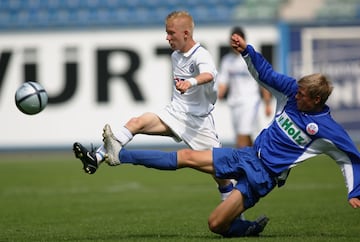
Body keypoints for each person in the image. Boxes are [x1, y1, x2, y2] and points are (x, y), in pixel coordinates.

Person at [99, 32, 360, 237]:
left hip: (262, 177)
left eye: (302, 94)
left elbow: (349, 159)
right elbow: (266, 75)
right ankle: (120, 155)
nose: (296, 94)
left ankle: (244, 229)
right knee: (187, 156)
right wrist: (247, 51)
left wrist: (354, 191)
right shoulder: (294, 92)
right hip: (246, 155)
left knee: (215, 224)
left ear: (316, 99)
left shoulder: (327, 130)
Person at [73, 11, 234, 201]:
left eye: (171, 33)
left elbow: (208, 75)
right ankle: (96, 158)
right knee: (137, 122)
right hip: (176, 113)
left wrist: (190, 82)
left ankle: (235, 218)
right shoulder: (176, 55)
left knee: (223, 176)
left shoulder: (201, 54)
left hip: (199, 123)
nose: (167, 37)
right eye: (166, 32)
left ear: (186, 34)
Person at [217, 26, 272, 148]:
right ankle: (258, 161)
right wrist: (218, 95)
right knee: (246, 137)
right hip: (234, 103)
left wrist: (267, 103)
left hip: (250, 101)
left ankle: (238, 165)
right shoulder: (227, 61)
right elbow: (223, 82)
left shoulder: (252, 58)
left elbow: (263, 81)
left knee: (242, 137)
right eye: (232, 41)